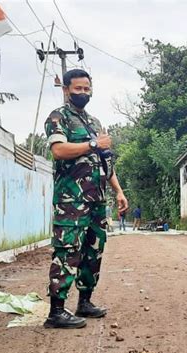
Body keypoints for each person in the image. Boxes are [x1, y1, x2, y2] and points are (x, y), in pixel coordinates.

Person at [43, 69, 128, 329]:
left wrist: (119, 190)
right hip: (71, 201)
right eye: (78, 89)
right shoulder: (59, 118)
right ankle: (56, 312)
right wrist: (92, 144)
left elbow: (105, 163)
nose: (83, 93)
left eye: (87, 89)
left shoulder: (94, 122)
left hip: (97, 200)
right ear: (66, 90)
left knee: (93, 251)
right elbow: (58, 150)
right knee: (68, 251)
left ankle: (85, 302)